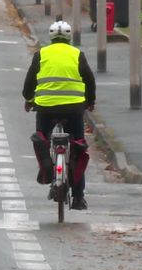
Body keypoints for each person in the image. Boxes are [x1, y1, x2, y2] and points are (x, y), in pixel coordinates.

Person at [22, 20, 96, 210]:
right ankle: (79, 197)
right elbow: (89, 80)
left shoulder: (42, 54)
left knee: (42, 136)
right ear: (69, 37)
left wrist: (29, 99)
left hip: (46, 108)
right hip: (74, 109)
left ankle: (46, 165)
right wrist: (90, 102)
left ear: (51, 37)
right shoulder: (77, 54)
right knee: (78, 148)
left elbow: (30, 81)